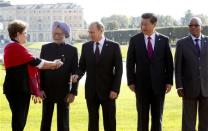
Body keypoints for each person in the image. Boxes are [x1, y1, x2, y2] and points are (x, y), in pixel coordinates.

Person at [3, 20, 63, 131]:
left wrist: (51, 64)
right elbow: (37, 62)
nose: (27, 35)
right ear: (18, 34)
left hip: (17, 89)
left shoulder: (12, 47)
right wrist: (54, 64)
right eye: (25, 33)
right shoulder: (15, 47)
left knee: (19, 120)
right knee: (19, 121)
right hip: (18, 90)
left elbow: (34, 62)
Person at [71, 21, 123, 131]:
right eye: (89, 32)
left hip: (109, 91)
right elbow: (82, 67)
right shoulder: (86, 46)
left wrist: (115, 89)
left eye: (92, 32)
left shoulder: (114, 46)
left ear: (101, 31)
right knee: (93, 122)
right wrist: (77, 75)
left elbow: (119, 70)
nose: (90, 34)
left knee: (109, 122)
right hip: (91, 92)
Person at [126, 13, 173, 131]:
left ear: (154, 24)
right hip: (141, 86)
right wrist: (130, 81)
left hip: (159, 85)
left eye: (146, 24)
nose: (143, 27)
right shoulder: (134, 40)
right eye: (141, 24)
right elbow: (130, 63)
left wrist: (169, 82)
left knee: (157, 117)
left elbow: (169, 63)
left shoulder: (164, 40)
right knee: (142, 118)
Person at [40, 21, 78, 131]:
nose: (57, 36)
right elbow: (41, 70)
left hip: (64, 91)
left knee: (64, 124)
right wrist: (40, 89)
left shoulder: (72, 50)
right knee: (45, 121)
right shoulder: (45, 48)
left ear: (65, 34)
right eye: (55, 33)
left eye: (60, 33)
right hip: (47, 91)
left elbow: (75, 73)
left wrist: (73, 92)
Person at [175, 17, 208, 131]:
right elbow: (178, 67)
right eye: (190, 25)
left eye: (196, 25)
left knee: (206, 122)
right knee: (188, 123)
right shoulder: (181, 43)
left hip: (206, 88)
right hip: (188, 88)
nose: (193, 27)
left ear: (201, 28)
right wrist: (179, 86)